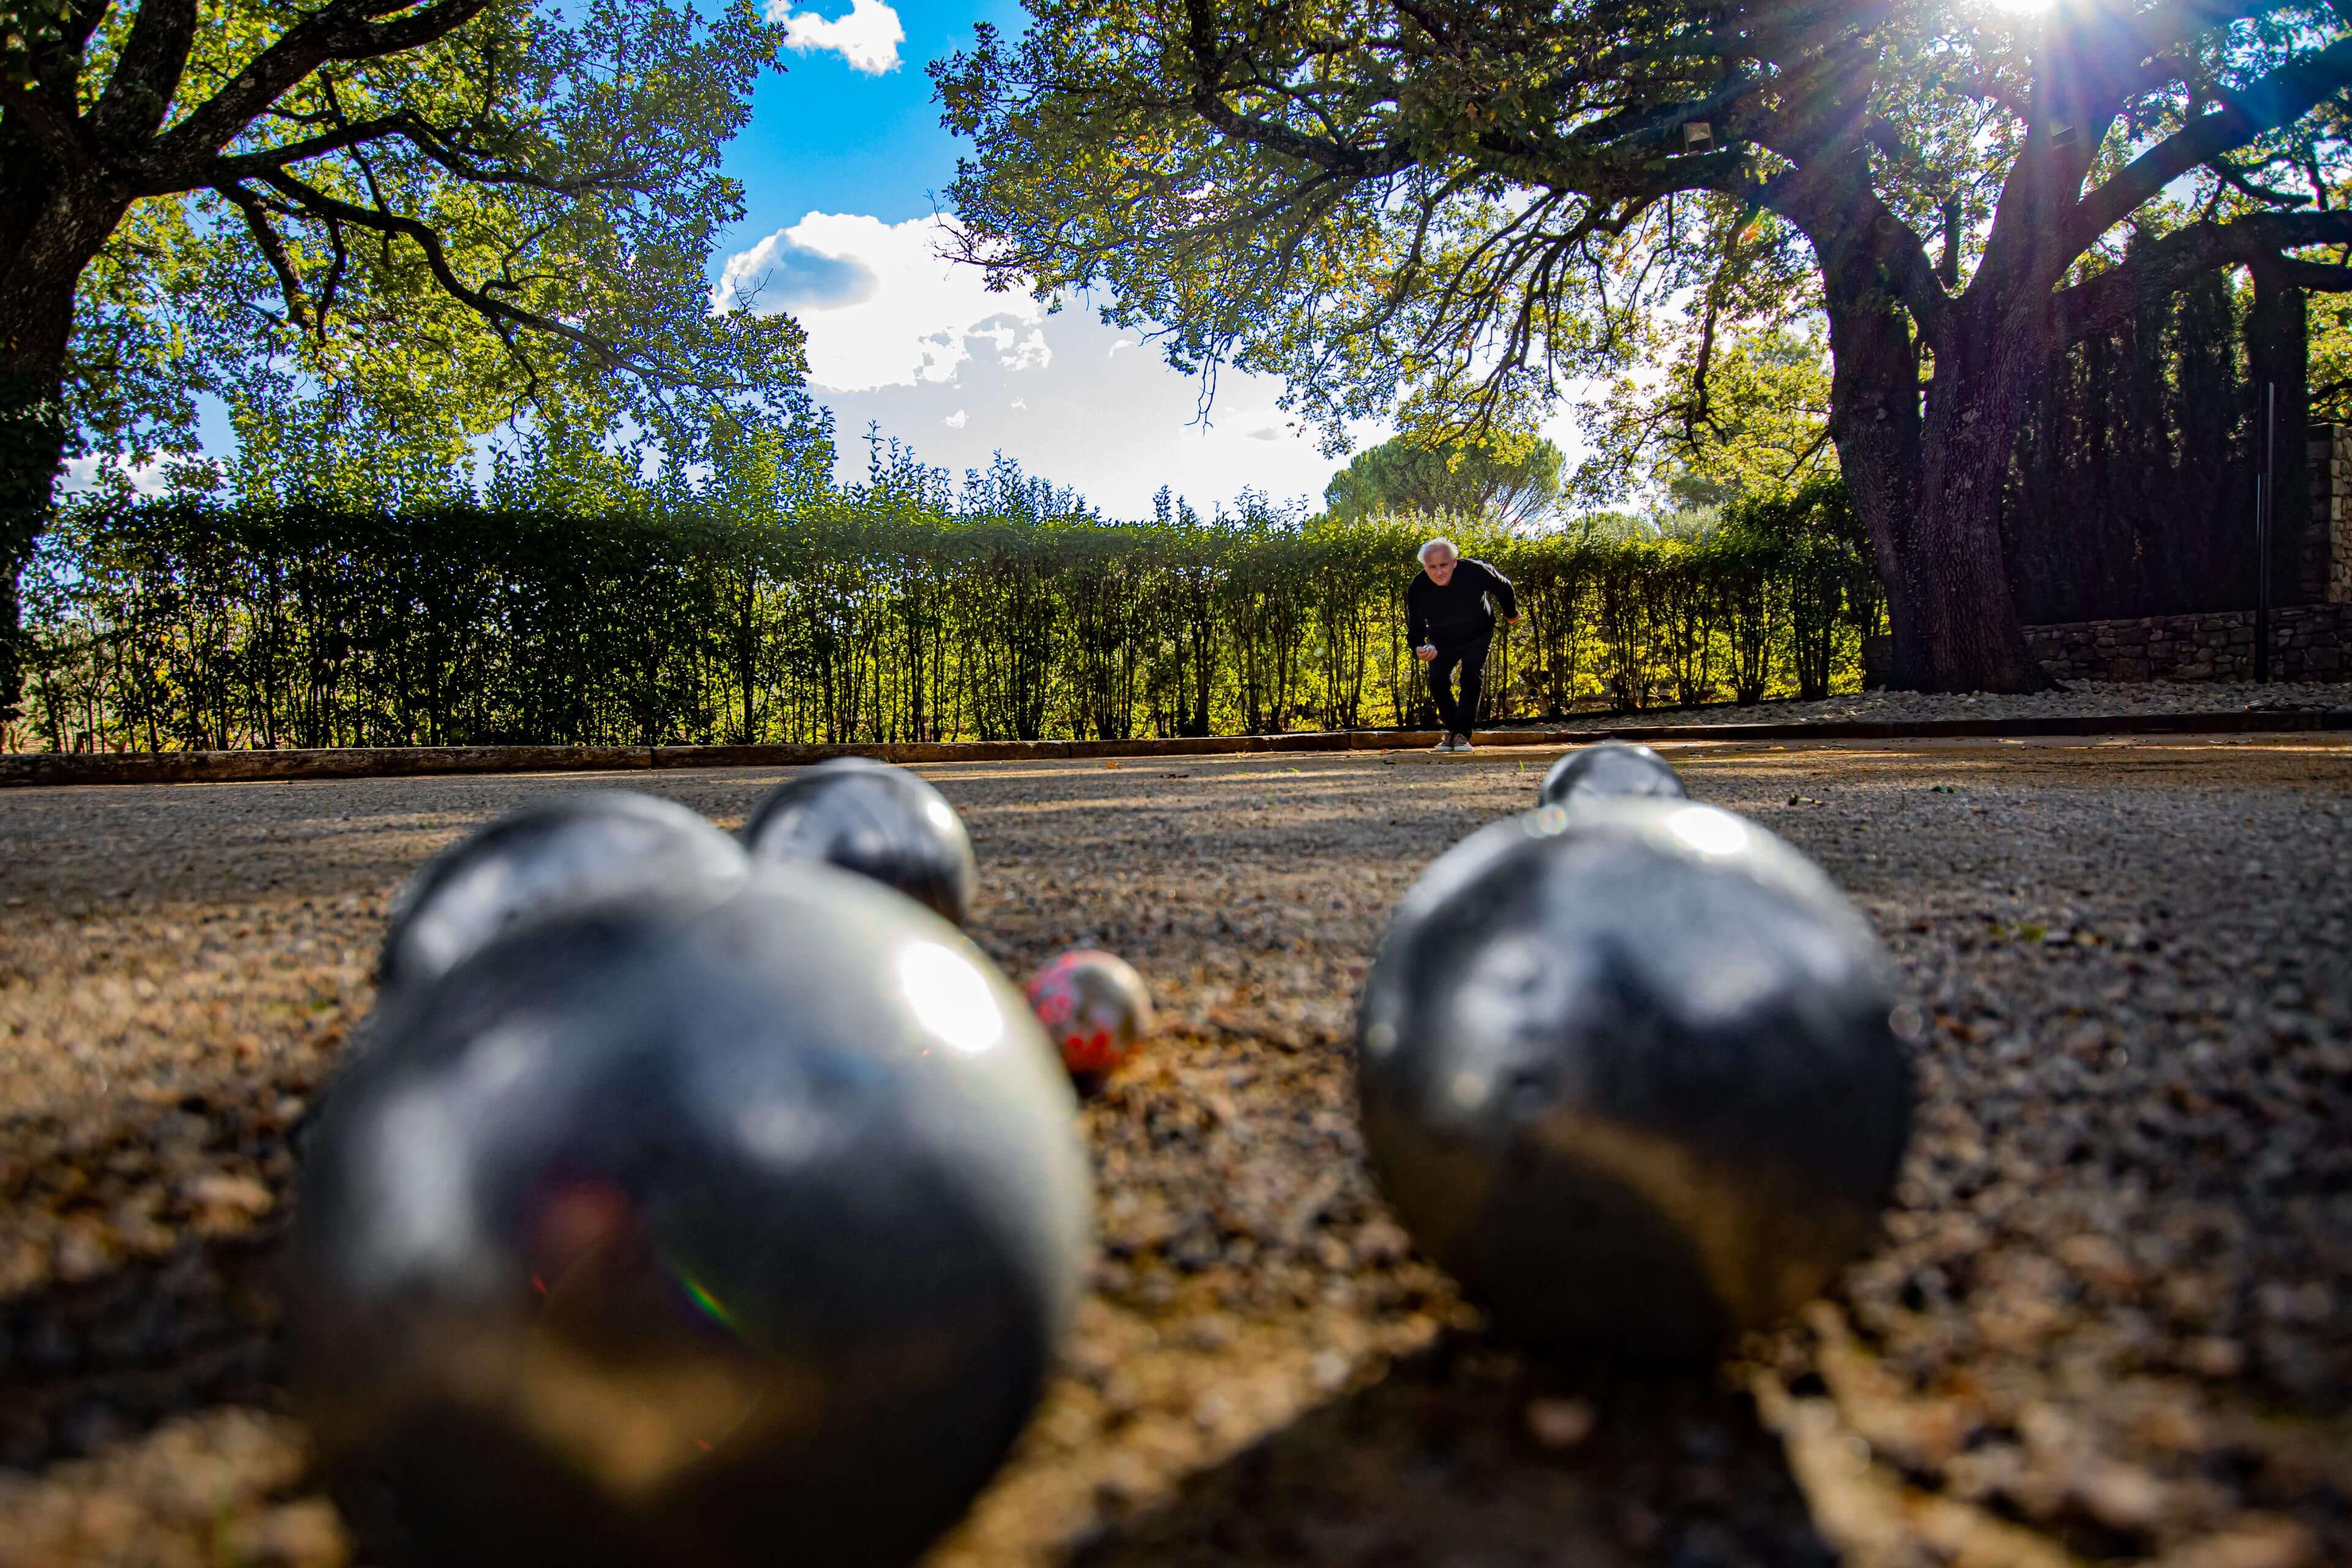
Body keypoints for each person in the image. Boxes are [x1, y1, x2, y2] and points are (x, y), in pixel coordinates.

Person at [1406, 538, 1518, 753]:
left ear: (1454, 562)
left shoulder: (1476, 571)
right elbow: (1416, 625)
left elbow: (1504, 587)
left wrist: (1511, 613)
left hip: (1478, 633)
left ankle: (1461, 735)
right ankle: (1454, 730)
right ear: (1425, 567)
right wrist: (1419, 647)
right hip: (1442, 638)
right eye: (1432, 567)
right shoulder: (1418, 587)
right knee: (1437, 680)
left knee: (1471, 677)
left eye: (1444, 565)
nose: (1439, 572)